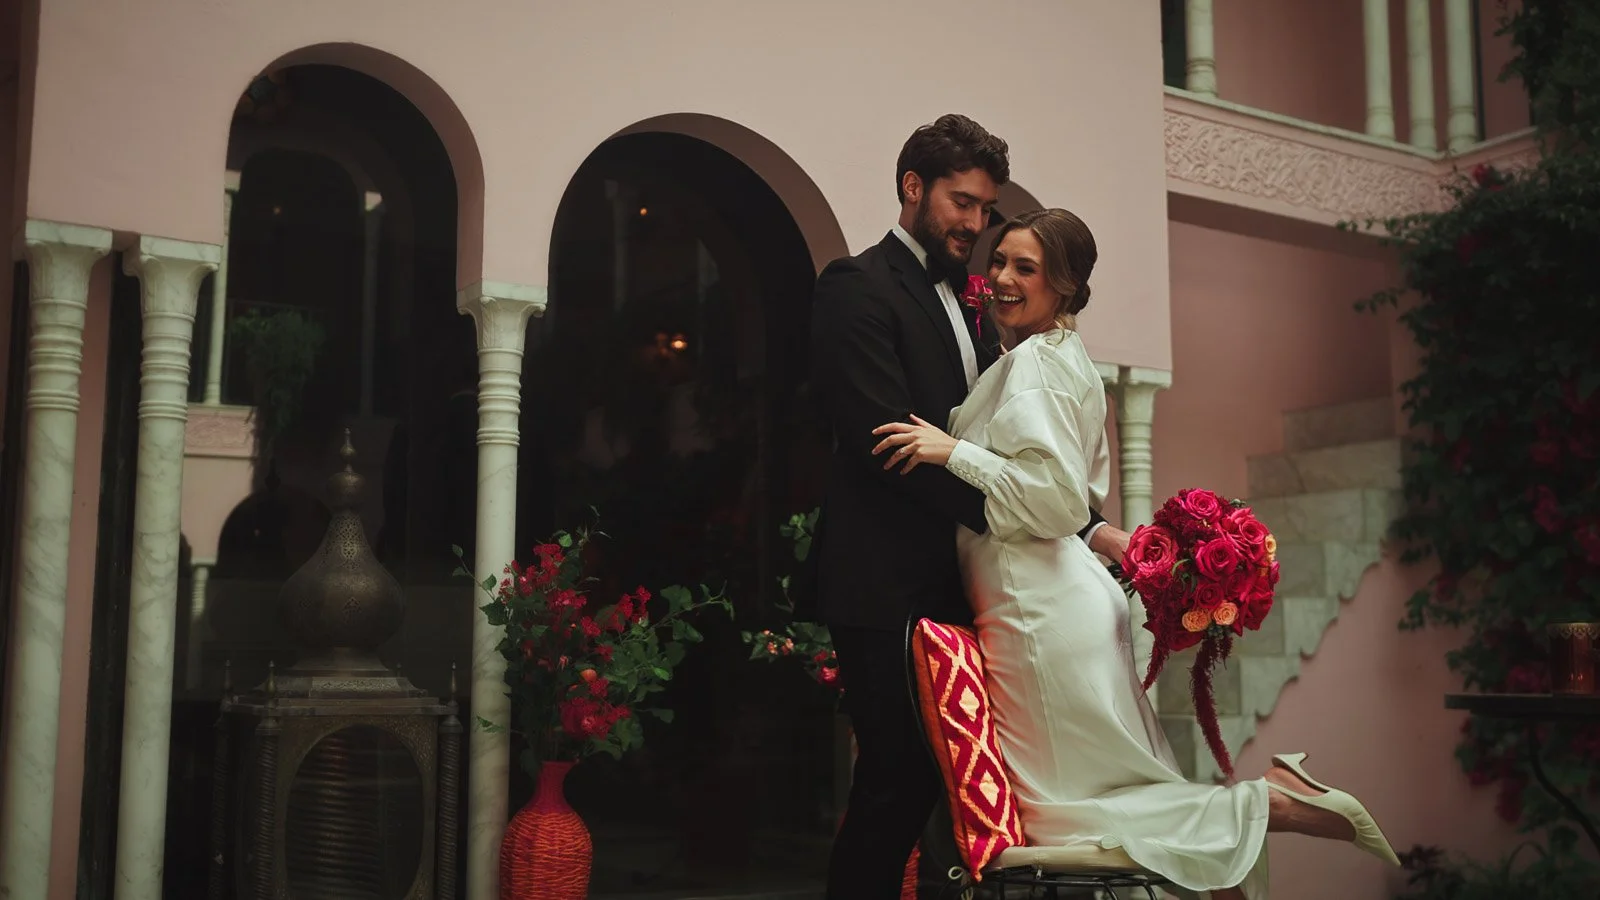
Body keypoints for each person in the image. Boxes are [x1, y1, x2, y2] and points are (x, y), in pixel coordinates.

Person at [870, 208, 1401, 899]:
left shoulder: (1032, 365)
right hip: (1061, 597)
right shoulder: (1065, 360)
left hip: (1037, 610)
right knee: (1096, 802)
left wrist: (955, 451)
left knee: (1067, 817)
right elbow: (1072, 502)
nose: (1000, 277)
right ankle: (1245, 833)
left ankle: (1264, 803)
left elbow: (1057, 500)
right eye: (998, 261)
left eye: (1024, 268)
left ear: (1064, 285)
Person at [805, 116, 1131, 898]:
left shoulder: (980, 307)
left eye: (985, 208)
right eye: (962, 202)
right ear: (912, 188)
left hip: (958, 586)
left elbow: (1013, 455)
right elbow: (890, 443)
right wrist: (1030, 517)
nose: (976, 224)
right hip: (881, 585)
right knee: (897, 776)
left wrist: (1087, 528)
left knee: (947, 787)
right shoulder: (856, 285)